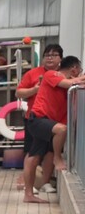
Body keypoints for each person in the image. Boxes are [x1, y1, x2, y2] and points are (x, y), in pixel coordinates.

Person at [22, 55, 85, 203]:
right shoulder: (52, 74)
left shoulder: (69, 91)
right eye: (80, 70)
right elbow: (71, 82)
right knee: (61, 130)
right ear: (74, 69)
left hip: (48, 123)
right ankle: (57, 158)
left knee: (34, 157)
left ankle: (28, 195)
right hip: (38, 119)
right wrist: (79, 79)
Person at [15, 44, 63, 192]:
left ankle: (45, 183)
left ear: (60, 58)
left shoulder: (62, 74)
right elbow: (18, 93)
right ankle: (28, 184)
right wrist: (35, 89)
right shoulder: (33, 73)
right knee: (32, 151)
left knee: (50, 151)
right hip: (35, 118)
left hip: (54, 120)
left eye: (54, 55)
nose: (50, 58)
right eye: (47, 55)